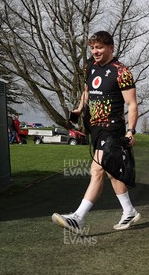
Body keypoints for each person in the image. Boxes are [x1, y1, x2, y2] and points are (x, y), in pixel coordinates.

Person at [51, 31, 140, 233]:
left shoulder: (122, 72)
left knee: (97, 170)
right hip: (96, 128)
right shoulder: (89, 67)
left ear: (111, 48)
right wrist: (79, 108)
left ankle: (77, 218)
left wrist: (130, 131)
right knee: (110, 170)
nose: (95, 52)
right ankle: (129, 211)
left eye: (99, 47)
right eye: (92, 48)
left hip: (113, 128)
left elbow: (132, 104)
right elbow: (87, 91)